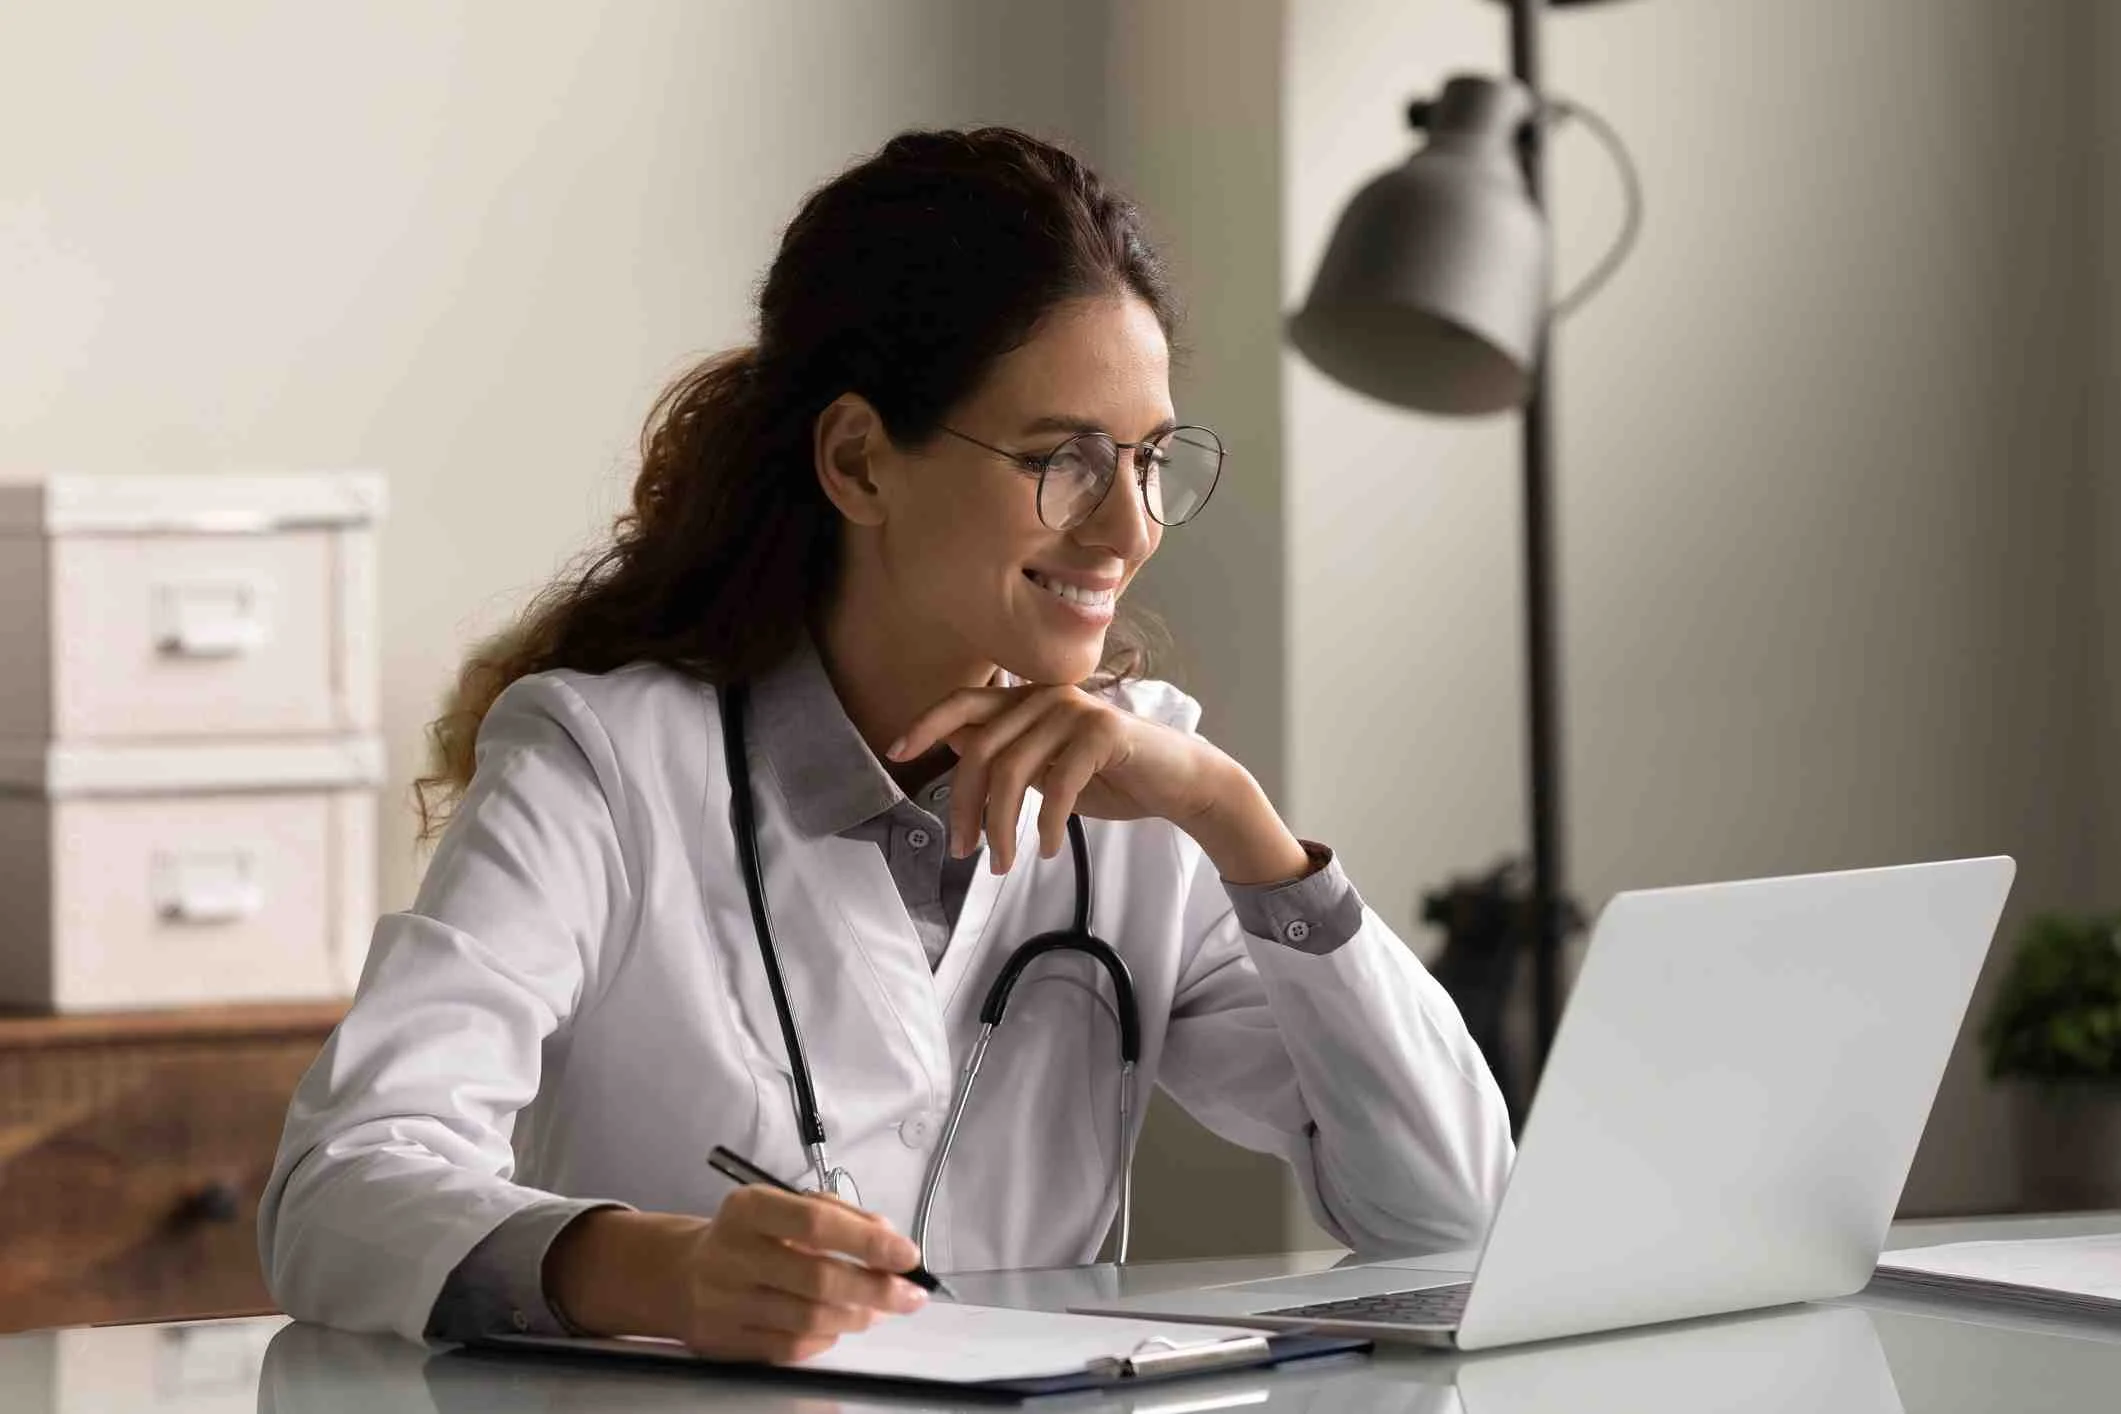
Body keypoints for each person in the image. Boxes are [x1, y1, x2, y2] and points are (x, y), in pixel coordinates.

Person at [259, 126, 1513, 1361]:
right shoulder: (605, 761)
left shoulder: (1152, 800)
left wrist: (1243, 829)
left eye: (1145, 460)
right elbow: (342, 1183)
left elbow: (1456, 1216)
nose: (1128, 528)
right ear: (860, 460)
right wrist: (665, 1271)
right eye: (1061, 459)